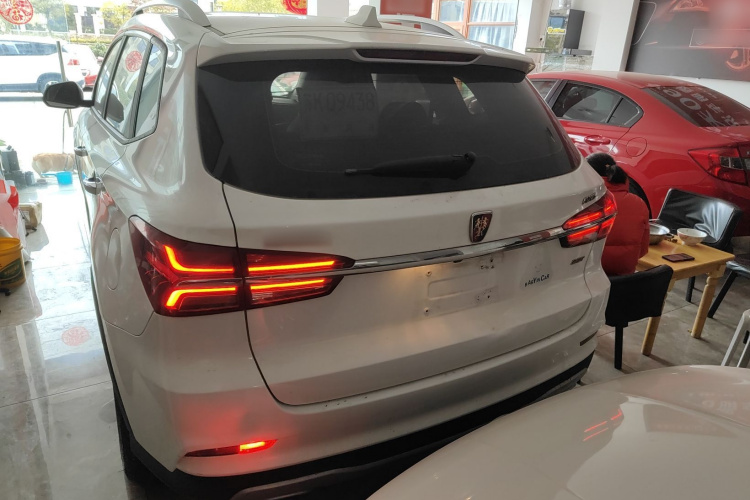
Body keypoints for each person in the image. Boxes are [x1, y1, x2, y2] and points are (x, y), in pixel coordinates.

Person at [587, 153, 650, 276]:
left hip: (590, 276)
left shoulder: (587, 202)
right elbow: (643, 250)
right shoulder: (639, 203)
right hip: (625, 279)